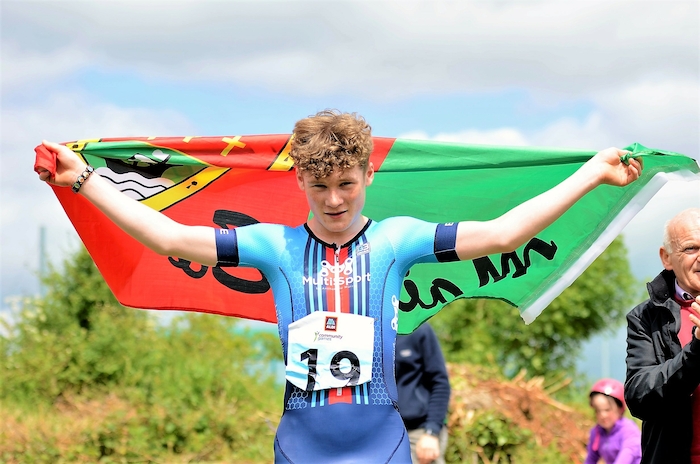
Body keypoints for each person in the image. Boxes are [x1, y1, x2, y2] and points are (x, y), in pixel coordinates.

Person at [37, 110, 642, 463]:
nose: (333, 200)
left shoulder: (398, 240)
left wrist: (592, 173)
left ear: (368, 174)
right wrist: (83, 178)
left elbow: (505, 234)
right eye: (320, 185)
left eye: (347, 184)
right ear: (299, 179)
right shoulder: (271, 245)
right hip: (299, 446)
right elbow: (167, 236)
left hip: (384, 446)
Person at [625, 208, 700, 464]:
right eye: (691, 248)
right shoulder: (645, 317)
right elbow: (639, 398)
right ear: (666, 258)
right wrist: (697, 349)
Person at [396, 322, 450, 464]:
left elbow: (440, 382)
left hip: (418, 431)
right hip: (383, 433)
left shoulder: (419, 329)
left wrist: (431, 432)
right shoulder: (370, 331)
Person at [585, 378, 641, 464]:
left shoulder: (629, 430)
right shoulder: (596, 432)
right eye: (598, 410)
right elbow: (591, 459)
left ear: (620, 409)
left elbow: (627, 454)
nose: (603, 415)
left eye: (607, 410)